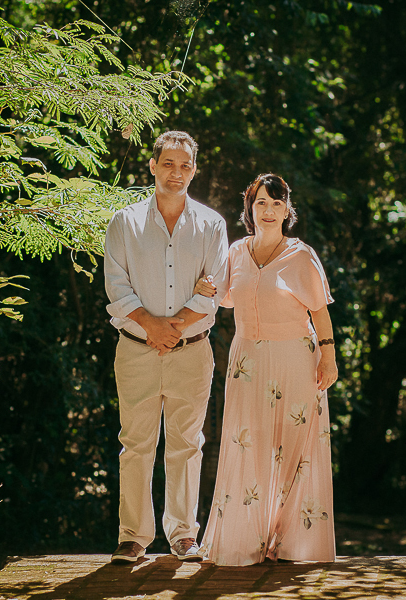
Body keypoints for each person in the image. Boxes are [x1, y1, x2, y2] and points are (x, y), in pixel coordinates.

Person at [197, 173, 338, 565]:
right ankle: (245, 541)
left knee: (296, 447)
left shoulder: (301, 255)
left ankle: (293, 542)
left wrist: (329, 356)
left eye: (277, 203)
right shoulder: (237, 252)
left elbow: (320, 311)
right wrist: (206, 286)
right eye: (261, 202)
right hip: (248, 362)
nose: (269, 210)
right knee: (249, 442)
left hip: (296, 357)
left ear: (287, 210)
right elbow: (223, 295)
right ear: (250, 208)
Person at [103, 131, 229, 563]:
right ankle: (133, 537)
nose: (177, 173)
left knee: (187, 443)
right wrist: (150, 325)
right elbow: (117, 286)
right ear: (152, 166)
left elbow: (214, 290)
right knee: (135, 443)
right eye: (169, 163)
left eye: (186, 165)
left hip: (192, 351)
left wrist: (171, 329)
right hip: (135, 349)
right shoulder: (124, 222)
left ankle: (182, 535)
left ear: (194, 170)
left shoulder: (212, 225)